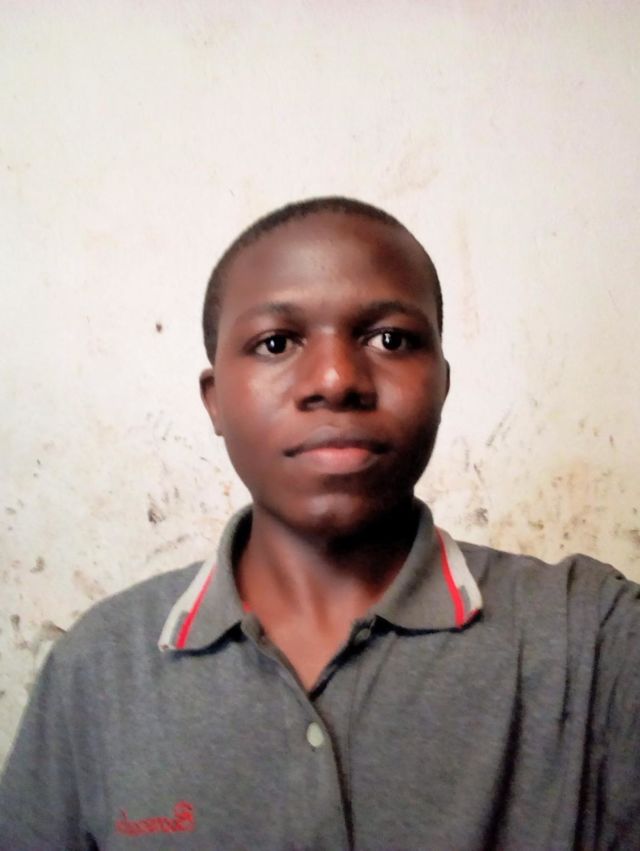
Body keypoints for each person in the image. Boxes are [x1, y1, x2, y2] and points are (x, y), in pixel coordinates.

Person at [1, 196, 639, 850]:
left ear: (442, 383)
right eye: (276, 343)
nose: (335, 380)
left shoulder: (594, 639)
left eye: (390, 339)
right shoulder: (97, 668)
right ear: (215, 400)